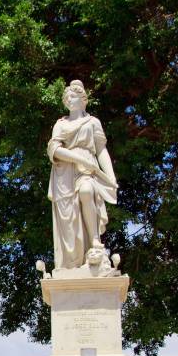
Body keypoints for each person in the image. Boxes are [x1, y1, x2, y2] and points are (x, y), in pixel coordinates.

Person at [47, 80, 118, 270]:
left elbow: (101, 150)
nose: (69, 100)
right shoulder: (60, 125)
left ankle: (95, 240)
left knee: (87, 191)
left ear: (83, 99)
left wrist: (110, 176)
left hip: (87, 170)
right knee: (69, 224)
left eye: (73, 96)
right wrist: (77, 159)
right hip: (64, 174)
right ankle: (73, 262)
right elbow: (53, 150)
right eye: (66, 97)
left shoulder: (93, 122)